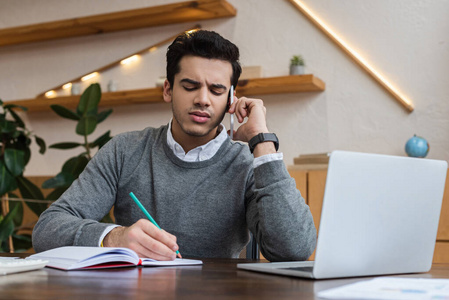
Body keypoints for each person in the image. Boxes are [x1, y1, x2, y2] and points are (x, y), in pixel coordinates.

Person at [32, 30, 316, 262]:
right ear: (168, 89)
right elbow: (47, 229)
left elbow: (295, 249)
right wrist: (115, 238)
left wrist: (261, 140)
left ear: (231, 99)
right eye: (190, 86)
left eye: (216, 90)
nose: (203, 99)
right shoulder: (124, 150)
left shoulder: (246, 162)